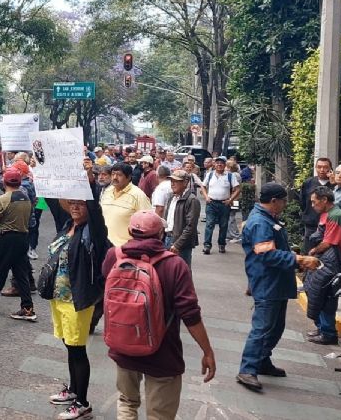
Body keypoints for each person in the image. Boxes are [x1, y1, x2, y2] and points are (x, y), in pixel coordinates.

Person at [103, 211, 217, 419]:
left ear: (130, 231)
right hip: (162, 352)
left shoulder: (115, 256)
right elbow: (190, 314)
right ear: (161, 235)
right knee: (160, 415)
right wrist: (207, 350)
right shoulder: (175, 265)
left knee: (127, 403)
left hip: (123, 345)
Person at [237, 182, 321, 391]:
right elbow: (266, 254)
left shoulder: (268, 219)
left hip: (276, 282)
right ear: (274, 201)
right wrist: (298, 260)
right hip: (267, 282)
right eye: (283, 201)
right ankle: (247, 369)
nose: (285, 205)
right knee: (263, 328)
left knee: (275, 327)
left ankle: (262, 361)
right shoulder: (260, 223)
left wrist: (291, 253)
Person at [46, 199, 111, 420]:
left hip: (77, 298)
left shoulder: (93, 233)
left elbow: (95, 213)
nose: (75, 207)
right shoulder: (67, 225)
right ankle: (73, 390)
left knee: (77, 349)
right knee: (69, 345)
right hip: (59, 296)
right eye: (72, 204)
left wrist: (89, 181)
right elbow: (53, 201)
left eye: (80, 205)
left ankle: (82, 403)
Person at [0, 168, 36, 322]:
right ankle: (27, 308)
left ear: (4, 182)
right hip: (23, 237)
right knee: (21, 272)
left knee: (0, 270)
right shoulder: (26, 198)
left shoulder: (3, 199)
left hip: (7, 238)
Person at [304, 186, 341, 345]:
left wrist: (313, 251)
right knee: (316, 292)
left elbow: (328, 242)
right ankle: (322, 328)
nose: (313, 205)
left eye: (314, 202)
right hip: (326, 258)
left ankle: (328, 333)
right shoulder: (327, 214)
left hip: (334, 260)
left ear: (324, 200)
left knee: (326, 295)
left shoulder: (336, 216)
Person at [100, 163, 152, 247]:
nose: (115, 178)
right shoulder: (107, 191)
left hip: (125, 248)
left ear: (128, 177)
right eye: (113, 174)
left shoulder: (138, 195)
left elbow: (148, 222)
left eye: (119, 175)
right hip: (104, 246)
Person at [200, 156, 240, 255]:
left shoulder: (230, 176)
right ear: (214, 164)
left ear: (225, 165)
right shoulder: (209, 175)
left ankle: (221, 244)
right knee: (209, 224)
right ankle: (207, 245)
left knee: (223, 225)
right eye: (217, 163)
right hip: (211, 203)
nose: (219, 165)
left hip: (224, 204)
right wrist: (206, 197)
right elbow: (203, 186)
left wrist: (230, 199)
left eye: (221, 163)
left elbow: (238, 189)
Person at [163, 170, 201, 267]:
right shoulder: (172, 197)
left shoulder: (192, 200)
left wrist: (177, 244)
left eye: (176, 181)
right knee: (168, 271)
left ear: (185, 182)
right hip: (168, 238)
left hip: (181, 243)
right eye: (171, 181)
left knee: (182, 272)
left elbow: (191, 226)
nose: (172, 184)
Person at [300, 157, 333, 252]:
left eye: (325, 167)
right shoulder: (308, 183)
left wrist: (334, 183)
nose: (322, 170)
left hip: (329, 227)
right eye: (319, 167)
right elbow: (302, 202)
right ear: (315, 168)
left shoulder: (334, 184)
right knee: (309, 254)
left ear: (330, 169)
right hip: (311, 226)